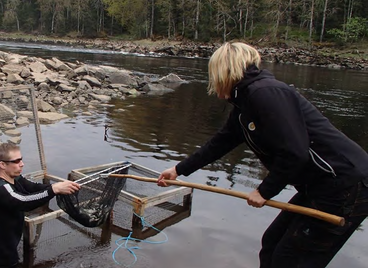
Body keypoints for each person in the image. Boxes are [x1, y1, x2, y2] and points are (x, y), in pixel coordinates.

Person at [157, 42, 368, 268]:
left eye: (214, 74)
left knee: (290, 259)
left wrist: (264, 191)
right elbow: (220, 143)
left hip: (345, 185)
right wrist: (179, 170)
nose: (214, 82)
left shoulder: (266, 93)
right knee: (272, 244)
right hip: (320, 186)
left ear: (225, 71)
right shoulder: (244, 103)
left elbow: (295, 152)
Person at [0, 143, 80, 268]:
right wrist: (54, 189)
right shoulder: (1, 190)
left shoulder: (15, 178)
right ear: (2, 165)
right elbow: (24, 202)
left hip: (6, 242)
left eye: (21, 159)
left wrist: (62, 186)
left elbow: (34, 188)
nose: (22, 164)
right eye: (16, 161)